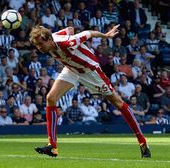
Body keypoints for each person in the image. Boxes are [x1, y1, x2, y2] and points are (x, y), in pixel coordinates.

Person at [30, 25, 150, 158]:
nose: (39, 48)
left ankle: (143, 142)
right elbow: (70, 28)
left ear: (48, 39)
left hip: (90, 71)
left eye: (40, 44)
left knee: (118, 102)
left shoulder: (67, 42)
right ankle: (52, 146)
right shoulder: (54, 38)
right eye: (37, 45)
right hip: (71, 68)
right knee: (50, 98)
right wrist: (68, 32)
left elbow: (88, 33)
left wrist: (105, 35)